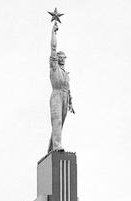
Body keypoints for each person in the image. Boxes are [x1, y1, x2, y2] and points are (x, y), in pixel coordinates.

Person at [47, 21, 74, 152]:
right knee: (56, 122)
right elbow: (53, 48)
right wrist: (53, 32)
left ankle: (51, 147)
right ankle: (57, 146)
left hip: (65, 97)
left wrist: (70, 103)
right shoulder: (54, 67)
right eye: (60, 57)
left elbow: (68, 89)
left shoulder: (66, 74)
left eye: (64, 57)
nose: (62, 59)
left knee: (60, 124)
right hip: (56, 95)